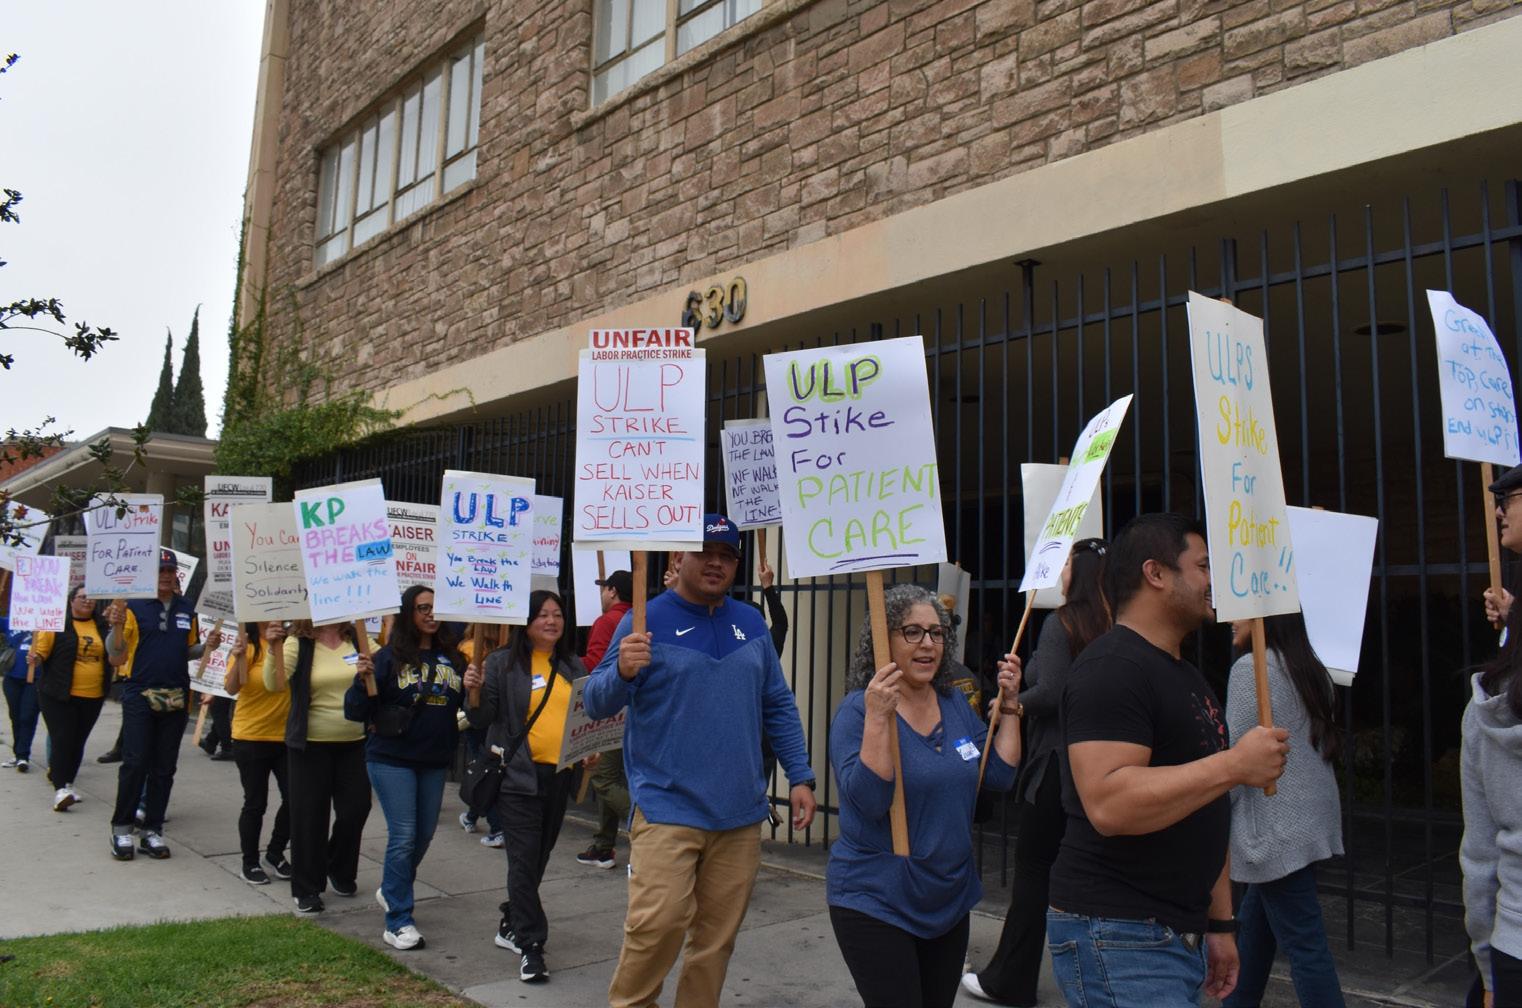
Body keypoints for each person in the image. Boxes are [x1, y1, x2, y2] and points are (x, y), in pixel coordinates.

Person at [1045, 513, 1288, 1008]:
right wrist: (1235, 765)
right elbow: (1110, 804)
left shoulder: (1187, 676)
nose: (1214, 580)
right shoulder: (1112, 667)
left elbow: (1205, 803)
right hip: (1118, 933)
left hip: (1171, 934)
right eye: (1202, 566)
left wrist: (1220, 922)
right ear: (1155, 573)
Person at [584, 513, 818, 1008]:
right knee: (656, 927)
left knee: (715, 943)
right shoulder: (643, 620)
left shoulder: (751, 623)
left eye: (726, 555)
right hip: (667, 809)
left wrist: (800, 774)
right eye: (704, 552)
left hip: (739, 816)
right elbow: (595, 702)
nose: (716, 563)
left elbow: (777, 703)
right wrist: (622, 669)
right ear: (678, 557)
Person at [829, 584, 1023, 1008]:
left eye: (936, 632)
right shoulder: (857, 712)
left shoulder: (954, 704)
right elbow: (870, 802)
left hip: (948, 897)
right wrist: (879, 720)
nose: (928, 643)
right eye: (912, 631)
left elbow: (1000, 774)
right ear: (883, 642)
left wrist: (1009, 707)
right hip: (877, 898)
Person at [964, 538, 1110, 1006]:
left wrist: (1010, 704)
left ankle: (1010, 979)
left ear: (1079, 575)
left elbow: (1054, 692)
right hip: (1100, 768)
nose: (1060, 572)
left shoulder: (1060, 622)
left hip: (1056, 768)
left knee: (1032, 873)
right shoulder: (1116, 627)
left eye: (1067, 565)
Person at [345, 586, 480, 951]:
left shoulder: (455, 658)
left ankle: (392, 888)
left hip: (434, 760)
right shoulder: (386, 658)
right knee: (404, 836)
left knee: (423, 836)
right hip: (391, 758)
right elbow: (354, 711)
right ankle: (398, 920)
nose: (431, 614)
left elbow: (474, 714)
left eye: (436, 608)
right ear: (409, 613)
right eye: (423, 608)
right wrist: (360, 681)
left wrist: (474, 691)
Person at [1222, 612, 1345, 1007]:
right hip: (1308, 822)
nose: (1230, 618)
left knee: (1306, 945)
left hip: (1275, 829)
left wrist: (1204, 809)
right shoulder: (1310, 667)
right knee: (1255, 934)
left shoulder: (1251, 670)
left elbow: (1234, 764)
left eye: (1240, 608)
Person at [467, 589, 581, 983]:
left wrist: (588, 748)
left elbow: (584, 716)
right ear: (526, 622)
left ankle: (511, 918)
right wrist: (473, 690)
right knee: (523, 859)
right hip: (517, 778)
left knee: (538, 859)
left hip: (559, 777)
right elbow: (481, 718)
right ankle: (531, 945)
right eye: (542, 614)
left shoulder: (572, 664)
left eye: (557, 614)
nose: (551, 621)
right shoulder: (502, 663)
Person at [104, 548, 221, 861]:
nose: (166, 576)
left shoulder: (186, 608)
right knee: (135, 762)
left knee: (164, 767)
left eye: (170, 571)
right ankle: (122, 829)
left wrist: (206, 647)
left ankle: (152, 830)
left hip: (176, 695)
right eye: (160, 571)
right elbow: (116, 653)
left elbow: (187, 649)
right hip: (140, 693)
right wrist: (115, 626)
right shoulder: (133, 606)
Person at [1461, 468, 1522, 1007]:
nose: (1499, 508)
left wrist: (1485, 966)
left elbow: (1481, 853)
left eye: (1510, 496)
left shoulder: (1488, 711)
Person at [265, 618, 373, 915]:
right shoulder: (297, 643)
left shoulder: (358, 638)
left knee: (356, 810)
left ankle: (337, 867)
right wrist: (273, 648)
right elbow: (274, 684)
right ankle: (306, 888)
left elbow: (387, 669)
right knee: (310, 817)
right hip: (310, 745)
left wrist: (373, 669)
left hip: (355, 742)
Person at [31, 587, 117, 810]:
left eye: (91, 598)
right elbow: (41, 652)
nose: (87, 601)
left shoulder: (102, 626)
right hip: (59, 695)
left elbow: (113, 653)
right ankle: (60, 789)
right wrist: (35, 658)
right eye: (82, 597)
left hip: (93, 695)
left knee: (78, 740)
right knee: (63, 739)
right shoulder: (56, 624)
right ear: (71, 601)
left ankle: (68, 782)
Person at [224, 622, 293, 885]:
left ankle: (275, 853)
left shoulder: (292, 644)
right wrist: (238, 658)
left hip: (286, 738)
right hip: (250, 737)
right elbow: (231, 688)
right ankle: (249, 862)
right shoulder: (248, 645)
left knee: (295, 799)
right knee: (256, 803)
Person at [458, 623, 506, 848]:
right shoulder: (488, 650)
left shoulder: (470, 648)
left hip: (483, 718)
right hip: (484, 716)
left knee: (485, 772)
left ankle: (496, 827)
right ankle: (472, 815)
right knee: (485, 770)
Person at [0, 599, 37, 773]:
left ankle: (23, 756)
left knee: (27, 716)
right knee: (15, 716)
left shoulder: (48, 622)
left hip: (35, 679)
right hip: (12, 678)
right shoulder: (11, 621)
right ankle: (18, 754)